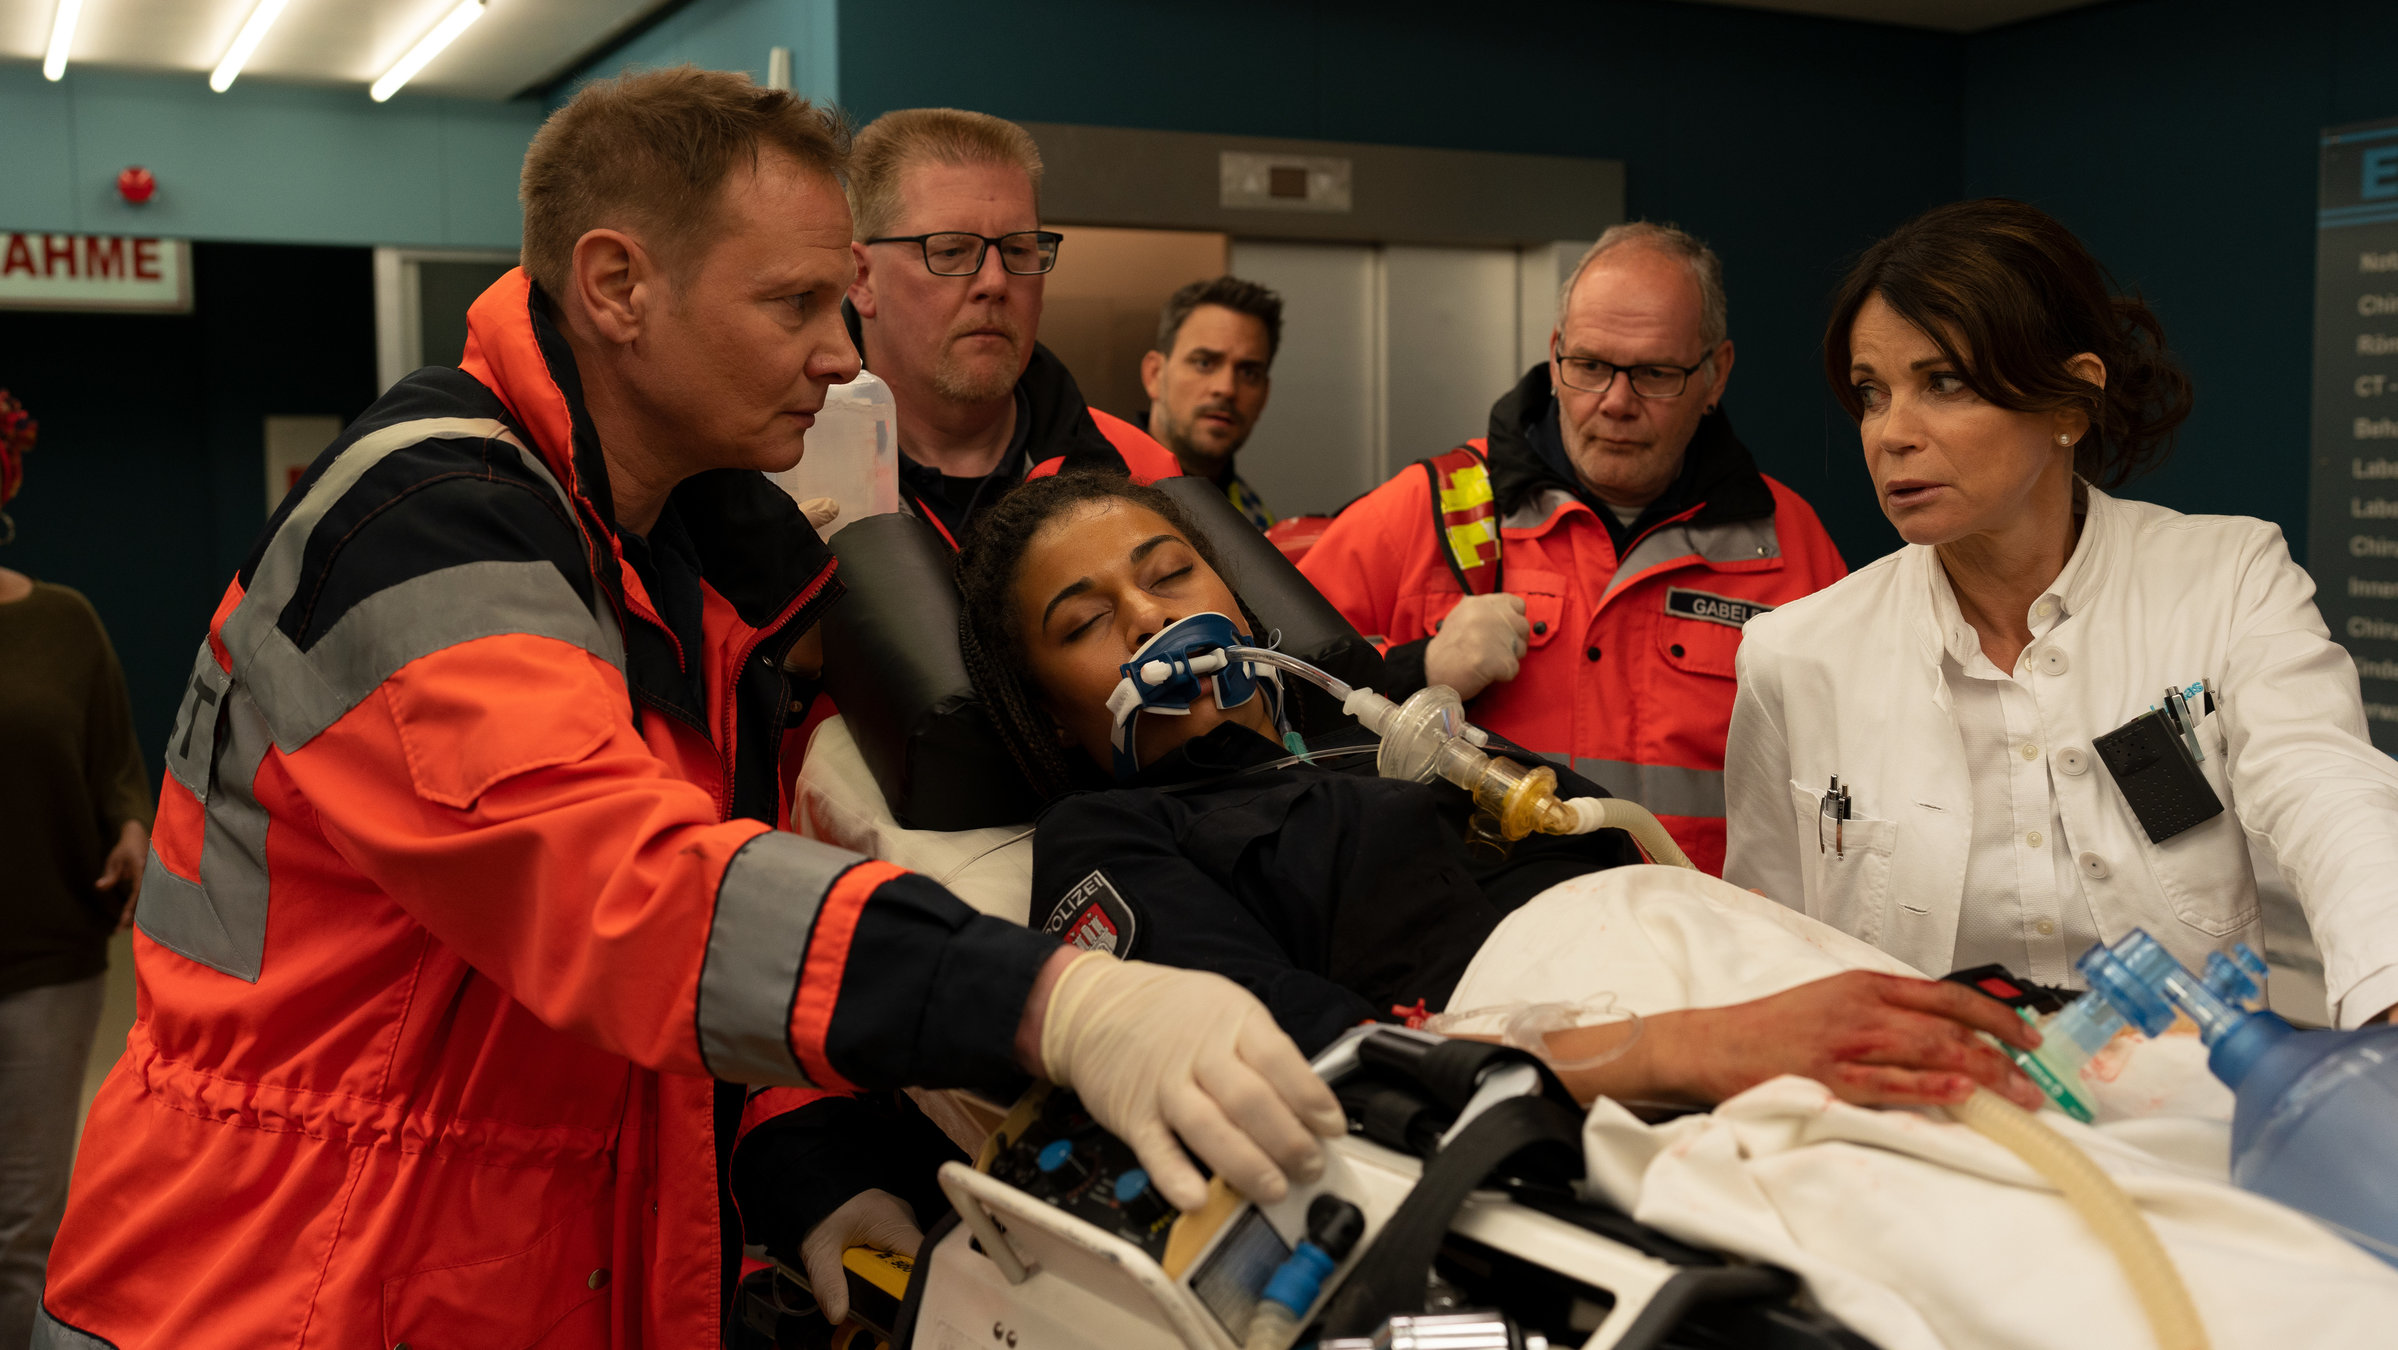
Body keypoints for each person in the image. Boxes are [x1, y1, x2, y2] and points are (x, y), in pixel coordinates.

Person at [34, 71, 1340, 1350]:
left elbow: (746, 906)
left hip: (505, 1248)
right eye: (793, 307)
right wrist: (1058, 1002)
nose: (841, 357)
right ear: (615, 288)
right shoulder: (428, 528)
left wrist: (800, 1156)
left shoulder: (682, 557)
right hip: (285, 1271)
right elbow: (629, 894)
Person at [955, 470, 2044, 1111]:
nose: (1148, 619)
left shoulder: (1374, 735)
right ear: (1047, 710)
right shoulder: (1112, 833)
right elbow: (1302, 1057)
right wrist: (1691, 1047)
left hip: (1731, 959)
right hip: (1594, 1051)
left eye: (1166, 572)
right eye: (1086, 622)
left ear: (1230, 594)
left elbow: (1619, 853)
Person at [1724, 198, 2398, 1029]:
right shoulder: (1798, 655)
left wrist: (2388, 991)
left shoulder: (2226, 579)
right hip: (1927, 1125)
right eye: (1872, 393)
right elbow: (1769, 938)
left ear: (2070, 402)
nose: (1891, 433)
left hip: (2185, 1106)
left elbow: (2327, 786)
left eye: (1943, 383)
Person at [1301, 223, 1847, 876]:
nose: (1616, 402)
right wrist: (1421, 667)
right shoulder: (1433, 509)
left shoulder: (1787, 546)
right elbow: (1275, 690)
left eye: (1654, 374)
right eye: (1590, 366)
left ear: (1715, 374)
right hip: (1474, 936)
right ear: (1556, 355)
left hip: (1704, 943)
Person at [844, 107, 1179, 547]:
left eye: (1019, 250)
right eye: (950, 251)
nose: (995, 282)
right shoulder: (784, 469)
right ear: (862, 279)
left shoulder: (1139, 471)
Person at [0, 390, 150, 1348]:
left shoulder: (66, 623)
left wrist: (132, 831)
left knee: (23, 1229)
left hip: (46, 966)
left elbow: (117, 774)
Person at [1136, 276, 1282, 529]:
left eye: (1248, 373)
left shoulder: (1258, 523)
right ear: (1155, 375)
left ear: (1265, 396)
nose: (1226, 389)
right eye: (1204, 363)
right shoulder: (1091, 497)